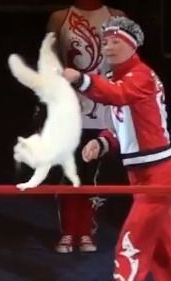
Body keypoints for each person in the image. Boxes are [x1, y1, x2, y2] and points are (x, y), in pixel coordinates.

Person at [63, 16, 171, 281]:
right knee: (166, 251)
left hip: (157, 176)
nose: (108, 47)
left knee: (130, 246)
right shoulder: (119, 79)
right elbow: (122, 125)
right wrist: (102, 142)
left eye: (115, 42)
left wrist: (82, 79)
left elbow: (118, 96)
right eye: (106, 42)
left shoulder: (140, 76)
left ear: (131, 45)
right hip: (141, 176)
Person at [45, 0, 125, 253]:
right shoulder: (60, 17)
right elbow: (49, 63)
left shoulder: (116, 16)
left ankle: (87, 230)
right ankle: (69, 231)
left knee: (93, 172)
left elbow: (125, 64)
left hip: (102, 103)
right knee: (70, 169)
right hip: (70, 106)